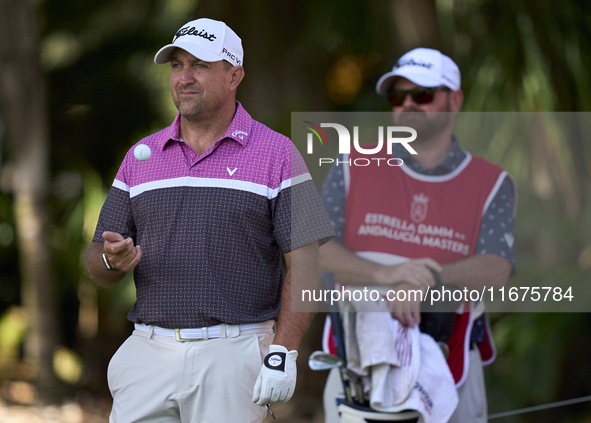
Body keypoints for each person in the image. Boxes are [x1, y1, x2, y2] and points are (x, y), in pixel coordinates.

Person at [85, 18, 334, 423]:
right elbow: (98, 255)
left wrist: (283, 351)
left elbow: (305, 263)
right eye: (177, 65)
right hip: (148, 353)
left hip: (234, 356)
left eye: (199, 65)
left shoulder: (278, 153)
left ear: (234, 74)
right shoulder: (140, 156)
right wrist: (112, 260)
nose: (184, 77)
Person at [320, 48, 516, 422]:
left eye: (422, 95)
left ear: (454, 100)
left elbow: (496, 268)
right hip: (354, 362)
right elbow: (316, 249)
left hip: (452, 357)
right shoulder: (352, 163)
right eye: (398, 95)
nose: (408, 104)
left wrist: (428, 279)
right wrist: (389, 275)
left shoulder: (492, 183)